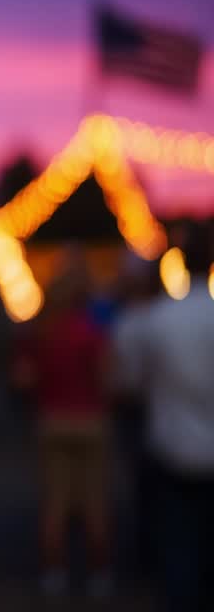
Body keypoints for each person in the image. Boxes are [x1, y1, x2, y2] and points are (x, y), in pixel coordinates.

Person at [115, 229, 214, 612]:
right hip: (197, 446)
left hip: (170, 445)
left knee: (178, 547)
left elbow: (129, 383)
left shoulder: (156, 320)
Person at [12, 260, 112, 599]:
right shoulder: (92, 332)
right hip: (90, 421)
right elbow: (106, 377)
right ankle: (99, 575)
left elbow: (23, 378)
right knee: (93, 501)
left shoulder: (43, 333)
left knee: (55, 503)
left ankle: (54, 574)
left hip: (52, 421)